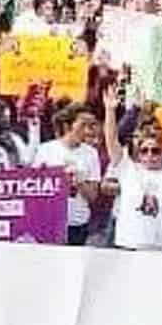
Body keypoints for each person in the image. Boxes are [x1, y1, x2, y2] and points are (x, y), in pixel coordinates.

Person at [103, 95, 162, 251]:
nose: (149, 155)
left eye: (155, 151)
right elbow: (111, 140)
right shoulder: (128, 169)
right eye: (144, 151)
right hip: (129, 244)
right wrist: (110, 110)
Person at [34, 104, 104, 245]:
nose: (87, 131)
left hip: (77, 223)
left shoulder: (91, 154)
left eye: (90, 126)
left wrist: (78, 182)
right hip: (49, 222)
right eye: (82, 125)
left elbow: (93, 196)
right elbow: (34, 190)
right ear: (68, 126)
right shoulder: (45, 150)